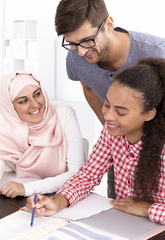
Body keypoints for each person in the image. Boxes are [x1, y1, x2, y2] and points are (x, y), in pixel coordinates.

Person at [26, 57, 165, 225]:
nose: (108, 116)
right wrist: (57, 201)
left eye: (120, 112)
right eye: (107, 105)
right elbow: (89, 174)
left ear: (149, 114)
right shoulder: (112, 131)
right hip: (125, 223)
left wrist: (147, 209)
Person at [55, 0, 165, 198]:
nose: (80, 51)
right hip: (122, 149)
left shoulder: (158, 51)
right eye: (71, 43)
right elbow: (87, 87)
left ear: (108, 25)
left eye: (87, 40)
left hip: (157, 151)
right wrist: (114, 132)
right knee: (120, 207)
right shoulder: (76, 58)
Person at [0, 71, 85, 218]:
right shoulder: (4, 128)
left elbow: (77, 173)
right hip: (28, 207)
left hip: (65, 202)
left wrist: (26, 188)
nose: (35, 104)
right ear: (10, 107)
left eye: (37, 94)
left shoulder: (64, 114)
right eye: (23, 101)